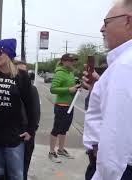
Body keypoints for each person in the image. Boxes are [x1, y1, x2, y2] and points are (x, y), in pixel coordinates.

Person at [84, 1, 132, 179]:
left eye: (107, 22)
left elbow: (114, 144)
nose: (102, 28)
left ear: (128, 21)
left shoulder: (125, 65)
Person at [0, 39, 35, 180]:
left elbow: (31, 106)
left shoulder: (21, 77)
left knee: (16, 175)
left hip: (13, 135)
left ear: (8, 54)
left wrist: (31, 130)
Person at [49, 53, 79, 163]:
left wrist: (76, 87)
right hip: (61, 106)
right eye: (70, 61)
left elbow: (71, 87)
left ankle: (61, 149)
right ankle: (52, 152)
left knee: (64, 129)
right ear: (64, 61)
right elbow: (53, 89)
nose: (73, 63)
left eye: (74, 61)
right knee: (56, 129)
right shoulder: (60, 73)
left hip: (70, 105)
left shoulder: (70, 73)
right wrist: (68, 89)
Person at [13, 60, 41, 180]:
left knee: (23, 167)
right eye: (18, 71)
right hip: (12, 132)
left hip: (26, 133)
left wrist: (31, 131)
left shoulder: (32, 90)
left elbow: (36, 112)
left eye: (24, 71)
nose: (21, 74)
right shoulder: (10, 88)